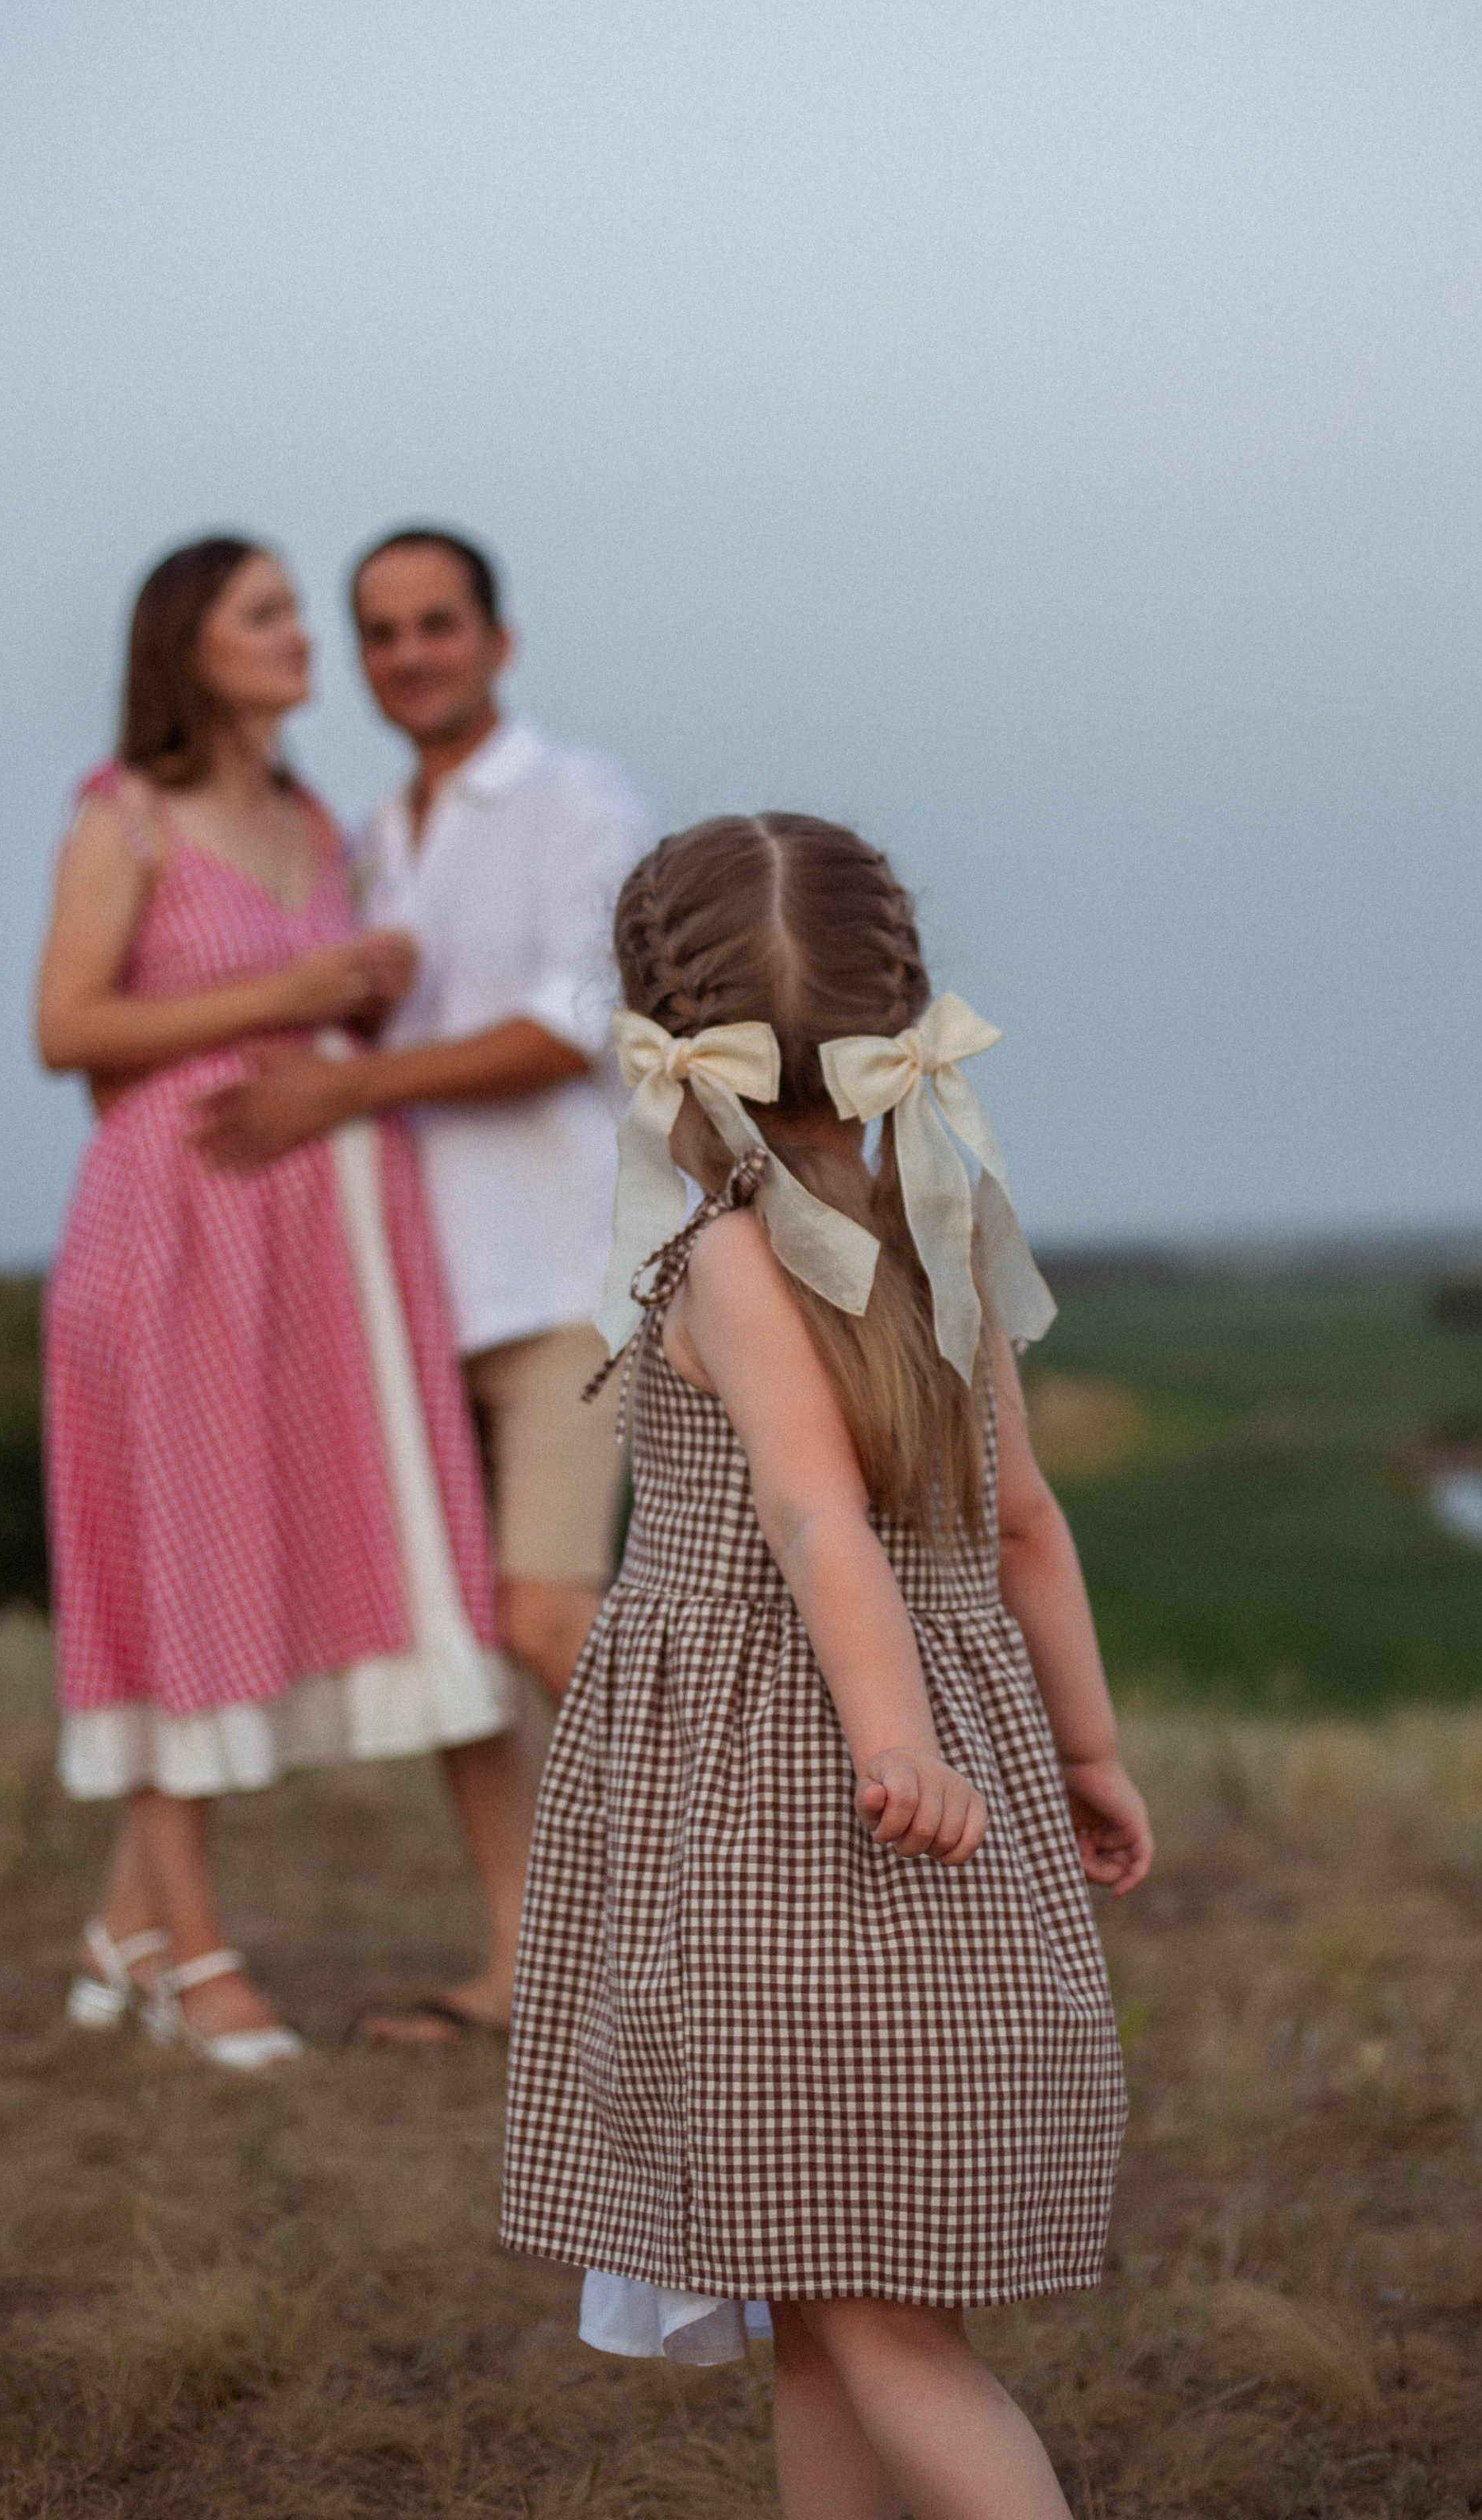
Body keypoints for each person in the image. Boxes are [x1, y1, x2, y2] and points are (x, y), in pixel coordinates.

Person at [499, 814, 1154, 2520]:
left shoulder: (718, 1246)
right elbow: (1023, 1524)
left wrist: (889, 1744)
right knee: (828, 2288)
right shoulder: (946, 1204)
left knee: (879, 2330)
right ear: (896, 1004)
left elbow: (811, 1523)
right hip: (956, 1780)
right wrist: (1080, 1752)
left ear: (657, 1021)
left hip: (786, 1815)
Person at [36, 536, 529, 2067]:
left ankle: (130, 1930)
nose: (303, 639)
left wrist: (360, 985)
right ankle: (201, 1964)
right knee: (176, 1560)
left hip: (320, 1259)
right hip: (172, 1237)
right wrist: (283, 999)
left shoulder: (320, 823)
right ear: (189, 646)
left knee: (275, 1560)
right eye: (268, 615)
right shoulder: (122, 819)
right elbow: (70, 1032)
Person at [195, 528, 653, 1712]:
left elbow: (572, 1028)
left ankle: (754, 1882)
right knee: (457, 1650)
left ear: (497, 640)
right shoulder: (367, 839)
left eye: (437, 624)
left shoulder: (578, 797)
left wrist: (345, 1088)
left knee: (551, 1615)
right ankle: (536, 1907)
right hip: (415, 1290)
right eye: (383, 633)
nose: (411, 654)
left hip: (567, 1282)